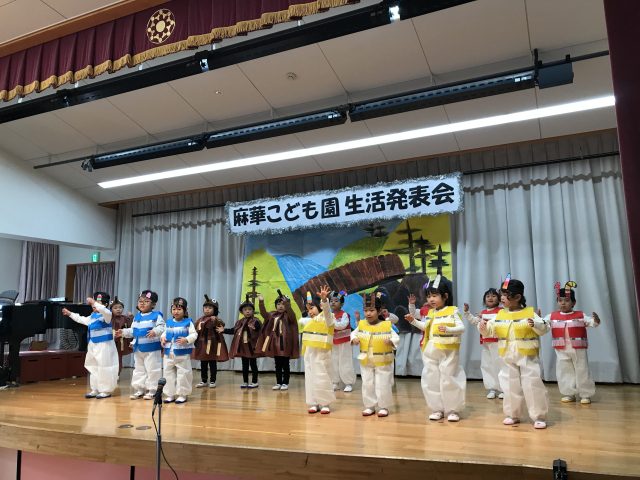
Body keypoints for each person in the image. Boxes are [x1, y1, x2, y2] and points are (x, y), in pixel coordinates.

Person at [479, 276, 550, 429]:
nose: (502, 298)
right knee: (509, 384)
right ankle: (513, 414)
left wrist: (535, 323)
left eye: (506, 295)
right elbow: (490, 330)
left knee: (532, 383)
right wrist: (483, 327)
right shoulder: (500, 314)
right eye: (502, 294)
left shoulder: (529, 313)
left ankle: (539, 416)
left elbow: (544, 328)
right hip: (507, 355)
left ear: (517, 297)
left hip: (527, 355)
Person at [406, 275, 466, 422]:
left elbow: (461, 328)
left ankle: (452, 409)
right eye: (429, 296)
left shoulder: (453, 311)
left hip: (448, 350)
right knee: (431, 377)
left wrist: (448, 329)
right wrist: (413, 321)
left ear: (445, 296)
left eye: (434, 296)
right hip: (431, 349)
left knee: (449, 377)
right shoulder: (431, 312)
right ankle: (437, 408)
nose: (431, 299)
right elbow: (425, 327)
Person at [543, 281, 600, 404]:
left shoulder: (580, 315)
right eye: (560, 300)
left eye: (567, 300)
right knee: (564, 370)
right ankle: (569, 393)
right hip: (561, 349)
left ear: (574, 302)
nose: (563, 303)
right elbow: (542, 325)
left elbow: (592, 323)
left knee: (582, 370)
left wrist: (596, 320)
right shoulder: (552, 316)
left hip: (578, 348)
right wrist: (536, 320)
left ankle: (585, 394)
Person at [351, 292, 399, 417]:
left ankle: (383, 406)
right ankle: (369, 406)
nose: (368, 313)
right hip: (366, 359)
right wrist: (354, 339)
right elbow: (353, 334)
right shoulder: (362, 324)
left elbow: (396, 337)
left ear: (379, 311)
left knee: (383, 383)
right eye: (366, 310)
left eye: (371, 310)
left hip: (383, 360)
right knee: (367, 383)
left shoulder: (386, 325)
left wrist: (391, 341)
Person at [62, 292, 118, 399]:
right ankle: (95, 389)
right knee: (93, 366)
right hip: (93, 344)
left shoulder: (107, 315)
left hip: (104, 344)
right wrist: (70, 314)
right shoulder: (93, 316)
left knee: (104, 366)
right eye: (94, 303)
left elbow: (105, 311)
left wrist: (93, 302)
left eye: (98, 303)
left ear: (105, 304)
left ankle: (106, 390)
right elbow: (82, 319)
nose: (94, 305)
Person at [116, 290, 165, 400]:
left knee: (153, 369)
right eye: (140, 301)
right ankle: (140, 389)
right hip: (139, 349)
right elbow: (133, 331)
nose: (142, 303)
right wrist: (123, 332)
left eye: (146, 301)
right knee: (139, 369)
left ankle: (153, 390)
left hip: (152, 348)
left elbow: (162, 327)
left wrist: (155, 331)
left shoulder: (156, 316)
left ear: (153, 304)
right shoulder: (137, 317)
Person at [463, 288, 504, 399]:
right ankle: (492, 388)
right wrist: (467, 312)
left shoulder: (501, 311)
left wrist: (483, 317)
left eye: (494, 296)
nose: (490, 298)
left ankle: (503, 389)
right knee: (487, 366)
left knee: (499, 365)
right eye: (488, 296)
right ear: (484, 299)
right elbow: (474, 321)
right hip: (486, 343)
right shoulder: (483, 313)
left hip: (498, 343)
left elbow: (496, 320)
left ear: (499, 299)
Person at [300, 286, 335, 414]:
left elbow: (327, 313)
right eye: (308, 309)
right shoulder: (308, 322)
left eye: (312, 308)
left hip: (322, 354)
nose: (310, 312)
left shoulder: (327, 318)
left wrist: (324, 301)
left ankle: (324, 403)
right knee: (310, 378)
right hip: (309, 353)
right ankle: (313, 402)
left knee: (322, 377)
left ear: (319, 306)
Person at [255, 290, 299, 391]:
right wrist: (261, 302)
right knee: (277, 364)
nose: (280, 306)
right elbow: (263, 314)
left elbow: (292, 315)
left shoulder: (290, 315)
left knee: (285, 364)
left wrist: (287, 304)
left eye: (283, 304)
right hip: (275, 344)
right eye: (278, 304)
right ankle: (279, 382)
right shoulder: (272, 315)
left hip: (286, 344)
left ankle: (285, 383)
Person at [220, 295, 262, 388]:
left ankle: (255, 382)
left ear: (253, 311)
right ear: (242, 311)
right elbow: (233, 330)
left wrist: (254, 327)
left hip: (252, 347)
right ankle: (245, 381)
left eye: (250, 309)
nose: (247, 311)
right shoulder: (239, 322)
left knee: (253, 364)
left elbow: (260, 330)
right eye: (245, 309)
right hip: (243, 347)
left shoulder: (256, 321)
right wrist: (224, 330)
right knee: (245, 365)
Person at [161, 297, 197, 404]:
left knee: (184, 373)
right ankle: (170, 394)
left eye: (179, 309)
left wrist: (186, 339)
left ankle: (182, 394)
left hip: (182, 353)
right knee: (167, 373)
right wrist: (162, 338)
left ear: (185, 310)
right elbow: (164, 333)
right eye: (174, 309)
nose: (176, 312)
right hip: (168, 353)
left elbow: (194, 334)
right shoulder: (168, 322)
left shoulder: (188, 322)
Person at [194, 295, 228, 388]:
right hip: (202, 344)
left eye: (210, 308)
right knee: (203, 363)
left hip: (213, 344)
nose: (207, 310)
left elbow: (222, 324)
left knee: (212, 362)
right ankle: (204, 380)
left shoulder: (216, 318)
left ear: (215, 310)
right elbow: (195, 328)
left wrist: (216, 320)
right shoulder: (200, 319)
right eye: (205, 307)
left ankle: (212, 381)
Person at [329, 290, 356, 393]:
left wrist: (331, 322)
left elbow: (342, 325)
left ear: (342, 304)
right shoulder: (329, 315)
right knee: (333, 362)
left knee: (345, 362)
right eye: (331, 301)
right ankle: (335, 382)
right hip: (333, 342)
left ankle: (348, 383)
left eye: (336, 301)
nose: (333, 303)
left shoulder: (344, 315)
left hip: (344, 342)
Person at [110, 297, 132, 375]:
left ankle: (117, 374)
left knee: (118, 357)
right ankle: (109, 373)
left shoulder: (125, 318)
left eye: (120, 307)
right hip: (110, 341)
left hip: (120, 342)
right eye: (115, 308)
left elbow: (131, 327)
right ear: (111, 309)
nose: (118, 309)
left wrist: (131, 317)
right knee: (109, 357)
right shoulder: (108, 318)